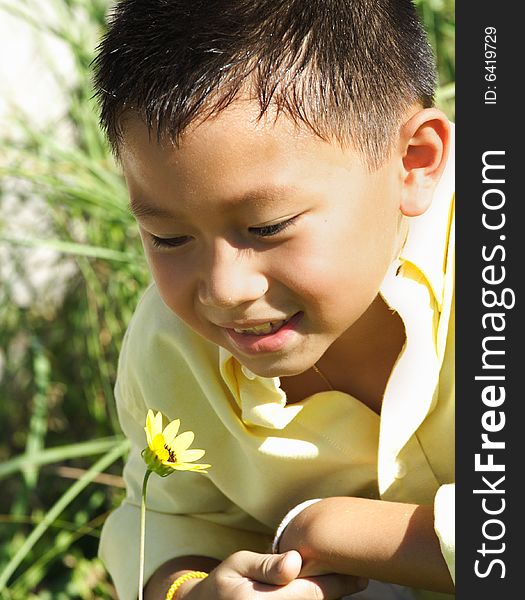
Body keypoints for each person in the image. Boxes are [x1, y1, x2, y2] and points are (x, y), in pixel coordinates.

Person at [93, 1, 455, 599]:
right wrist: (189, 589)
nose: (225, 291)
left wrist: (330, 529)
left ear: (414, 162)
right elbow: (169, 519)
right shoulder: (172, 348)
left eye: (267, 227)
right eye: (168, 237)